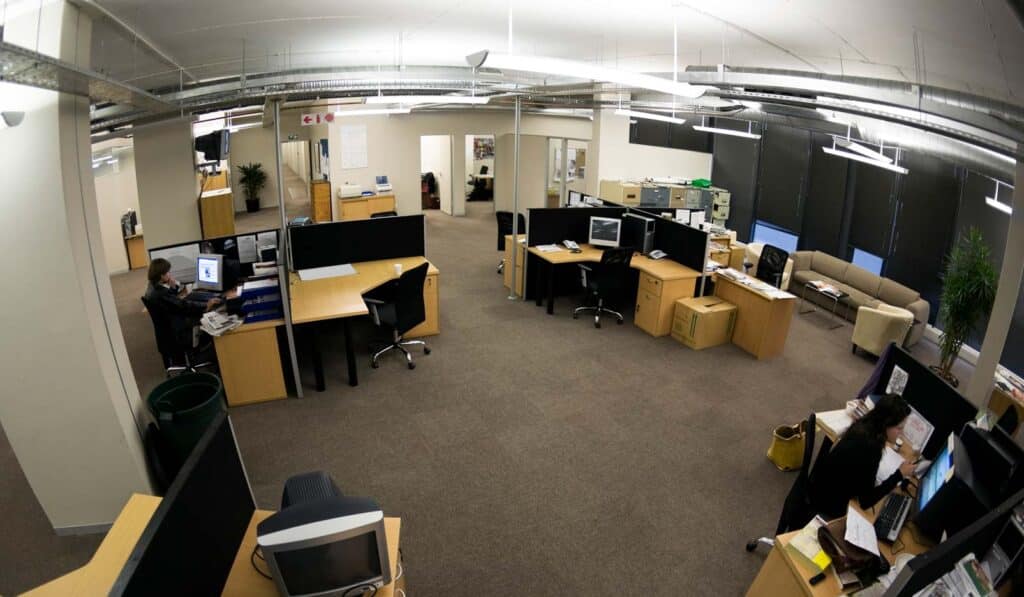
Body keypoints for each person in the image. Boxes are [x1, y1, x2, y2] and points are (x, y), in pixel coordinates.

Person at [808, 394, 917, 519]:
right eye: (899, 428)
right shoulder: (871, 448)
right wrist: (899, 474)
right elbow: (866, 501)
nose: (901, 433)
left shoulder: (865, 424)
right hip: (826, 504)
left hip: (821, 485)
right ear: (886, 424)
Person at [144, 258, 221, 349]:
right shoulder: (160, 293)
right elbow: (183, 305)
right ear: (162, 276)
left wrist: (173, 287)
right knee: (208, 317)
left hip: (169, 329)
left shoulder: (152, 286)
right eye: (168, 272)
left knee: (195, 304)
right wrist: (206, 305)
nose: (170, 274)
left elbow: (171, 301)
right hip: (178, 332)